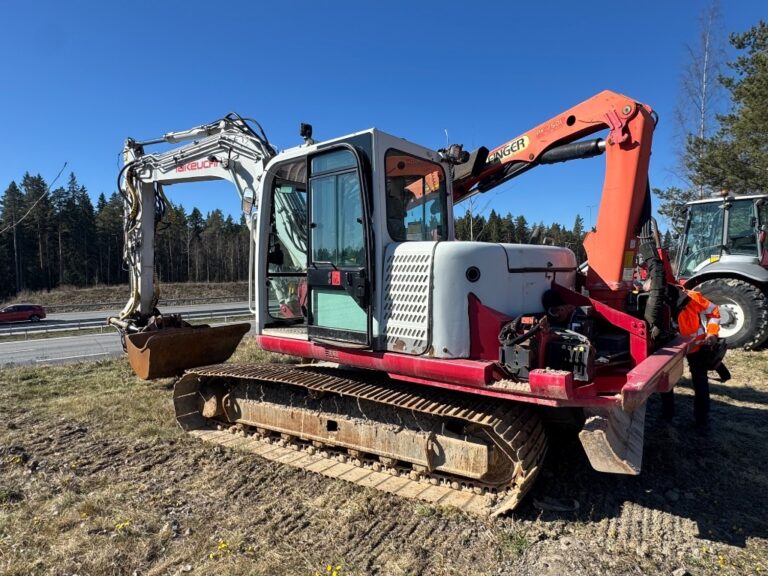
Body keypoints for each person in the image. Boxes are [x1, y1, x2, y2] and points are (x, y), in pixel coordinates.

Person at [662, 284, 723, 432]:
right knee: (666, 382)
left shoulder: (692, 297)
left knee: (700, 380)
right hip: (671, 348)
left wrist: (712, 333)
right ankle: (666, 417)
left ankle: (702, 419)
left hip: (697, 345)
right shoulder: (656, 301)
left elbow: (714, 312)